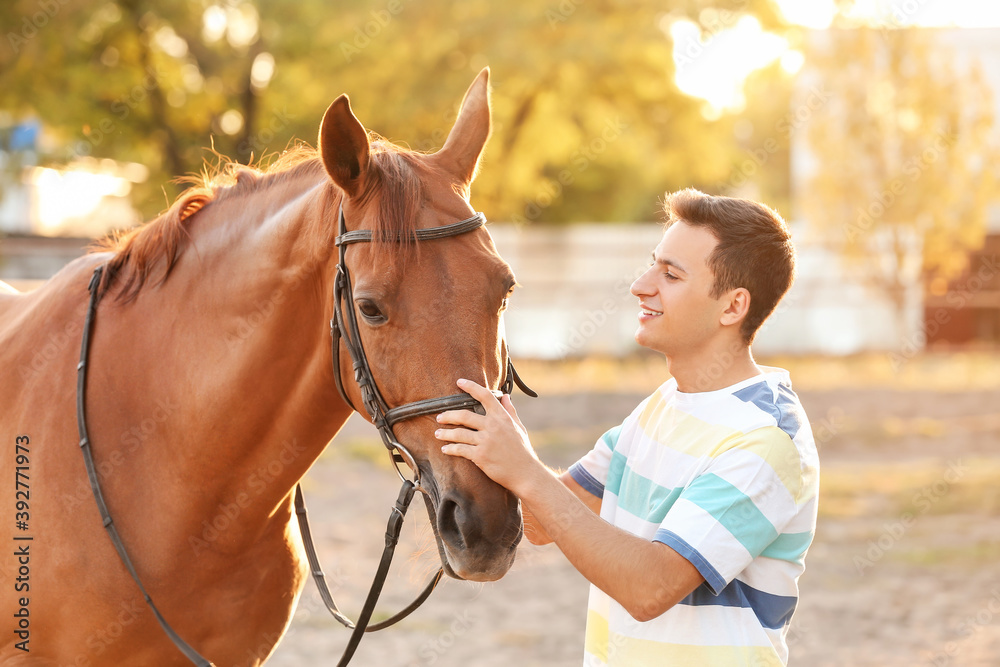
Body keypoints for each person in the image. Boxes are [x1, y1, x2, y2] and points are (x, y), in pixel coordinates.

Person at [435, 188, 819, 666]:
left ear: (732, 306)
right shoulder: (662, 407)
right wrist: (501, 448)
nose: (641, 285)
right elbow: (540, 523)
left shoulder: (766, 440)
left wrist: (527, 472)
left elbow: (649, 587)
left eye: (670, 275)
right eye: (652, 264)